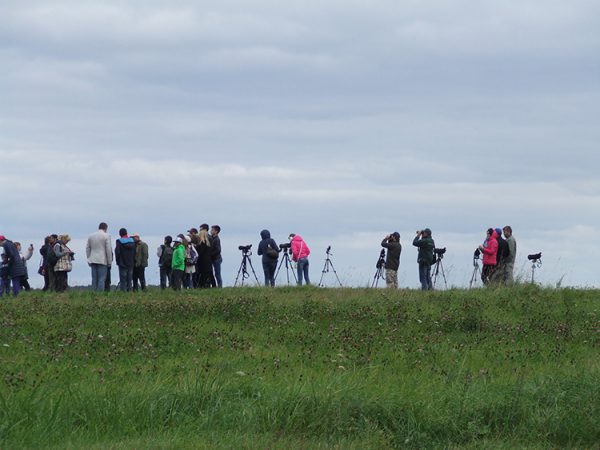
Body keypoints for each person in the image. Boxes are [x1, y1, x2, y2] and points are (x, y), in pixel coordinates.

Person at [86, 222, 113, 292]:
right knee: (101, 278)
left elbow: (88, 248)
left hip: (92, 259)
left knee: (94, 278)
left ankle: (93, 293)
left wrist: (88, 258)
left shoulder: (91, 236)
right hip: (102, 259)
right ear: (106, 228)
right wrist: (109, 261)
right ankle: (100, 295)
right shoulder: (107, 236)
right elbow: (108, 249)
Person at [115, 228, 136, 292]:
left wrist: (118, 262)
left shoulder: (119, 241)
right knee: (129, 279)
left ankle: (123, 293)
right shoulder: (132, 241)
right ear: (126, 233)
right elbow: (135, 252)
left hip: (122, 263)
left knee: (123, 280)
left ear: (120, 234)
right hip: (131, 263)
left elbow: (117, 252)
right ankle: (129, 292)